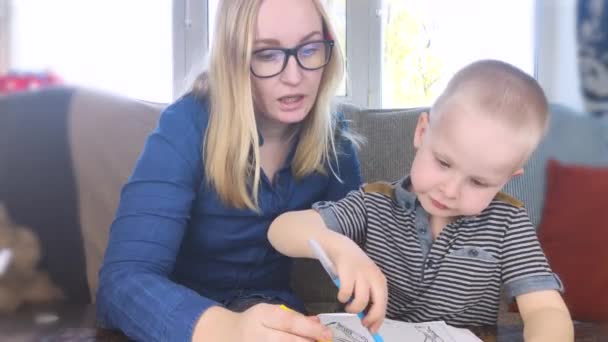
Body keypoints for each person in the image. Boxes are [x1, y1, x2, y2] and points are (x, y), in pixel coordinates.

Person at [95, 0, 382, 341]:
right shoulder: (187, 126)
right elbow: (122, 282)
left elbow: (362, 231)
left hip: (275, 314)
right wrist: (228, 329)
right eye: (267, 54)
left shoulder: (332, 135)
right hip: (185, 326)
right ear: (234, 58)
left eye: (309, 48)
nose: (295, 77)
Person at [268, 60, 575, 341]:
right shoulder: (373, 204)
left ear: (508, 177)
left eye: (479, 182)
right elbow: (281, 230)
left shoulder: (508, 223)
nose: (450, 190)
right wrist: (337, 246)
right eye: (443, 163)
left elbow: (545, 310)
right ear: (422, 132)